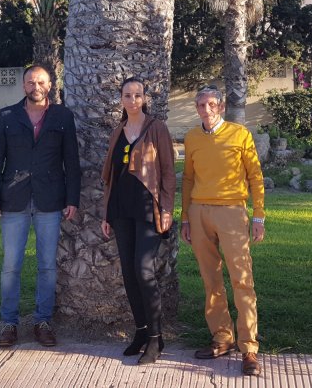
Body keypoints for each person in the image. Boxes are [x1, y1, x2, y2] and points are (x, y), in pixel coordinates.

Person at [0, 64, 80, 348]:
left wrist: (72, 199)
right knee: (11, 266)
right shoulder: (7, 116)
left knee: (47, 266)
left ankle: (42, 321)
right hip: (13, 199)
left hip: (50, 200)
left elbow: (71, 162)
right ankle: (9, 324)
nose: (35, 86)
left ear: (50, 85)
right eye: (30, 82)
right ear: (23, 85)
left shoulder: (63, 116)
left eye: (40, 82)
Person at [181, 85, 266, 377]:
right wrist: (185, 218)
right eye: (201, 105)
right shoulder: (191, 137)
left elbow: (255, 176)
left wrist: (259, 216)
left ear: (220, 106)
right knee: (210, 279)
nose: (206, 109)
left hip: (232, 212)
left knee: (242, 280)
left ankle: (249, 348)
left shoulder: (240, 134)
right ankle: (222, 337)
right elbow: (188, 179)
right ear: (197, 108)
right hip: (199, 211)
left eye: (211, 104)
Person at [99, 77, 176, 364]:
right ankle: (141, 332)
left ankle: (157, 339)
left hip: (148, 210)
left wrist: (167, 209)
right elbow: (111, 177)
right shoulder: (118, 131)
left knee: (144, 271)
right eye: (127, 95)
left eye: (137, 95)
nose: (133, 100)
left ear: (144, 98)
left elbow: (168, 172)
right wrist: (107, 214)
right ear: (121, 99)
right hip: (121, 210)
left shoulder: (156, 128)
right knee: (130, 274)